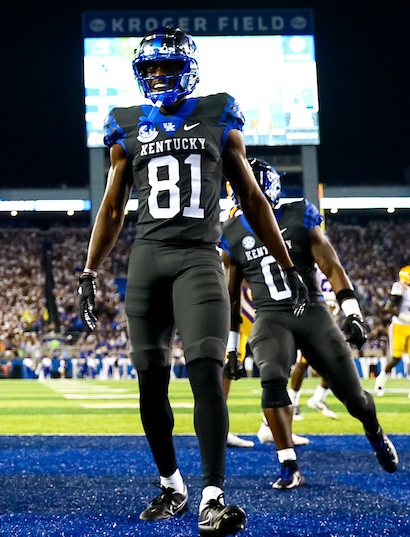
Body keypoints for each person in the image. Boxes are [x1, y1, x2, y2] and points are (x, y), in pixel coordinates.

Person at [80, 27, 299, 537]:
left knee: (206, 373)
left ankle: (213, 497)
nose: (159, 75)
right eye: (150, 68)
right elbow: (112, 207)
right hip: (147, 260)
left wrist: (287, 264)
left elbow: (251, 197)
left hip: (199, 259)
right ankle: (171, 484)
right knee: (150, 380)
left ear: (189, 68)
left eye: (168, 66)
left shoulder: (218, 112)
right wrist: (89, 271)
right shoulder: (126, 123)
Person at [222, 160, 399, 489]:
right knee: (271, 378)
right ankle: (288, 463)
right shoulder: (231, 231)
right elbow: (231, 298)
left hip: (312, 311)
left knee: (355, 399)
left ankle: (375, 433)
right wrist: (231, 348)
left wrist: (352, 313)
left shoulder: (298, 214)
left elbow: (331, 266)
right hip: (270, 315)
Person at [374, 265, 410, 397]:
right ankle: (380, 381)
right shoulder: (401, 287)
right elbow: (388, 308)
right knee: (396, 358)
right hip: (400, 325)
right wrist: (402, 316)